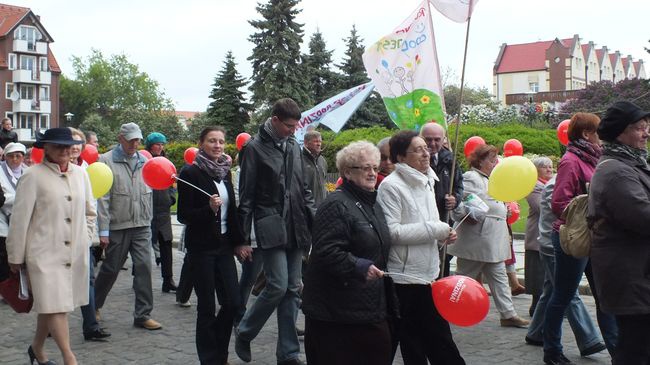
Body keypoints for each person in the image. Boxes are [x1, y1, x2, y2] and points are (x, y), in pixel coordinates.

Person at [235, 98, 314, 365]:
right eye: (289, 126)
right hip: (269, 225)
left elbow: (303, 189)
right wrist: (242, 239)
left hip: (296, 226)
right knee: (278, 286)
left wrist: (315, 221)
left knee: (293, 289)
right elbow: (245, 197)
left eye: (296, 126)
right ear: (275, 120)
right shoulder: (253, 148)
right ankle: (245, 332)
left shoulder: (293, 145)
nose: (294, 130)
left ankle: (288, 353)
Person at [6, 128, 95, 365]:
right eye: (57, 146)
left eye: (67, 146)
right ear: (45, 148)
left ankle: (37, 348)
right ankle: (70, 358)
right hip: (42, 253)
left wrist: (85, 237)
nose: (64, 151)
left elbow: (90, 211)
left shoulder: (80, 174)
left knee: (52, 305)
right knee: (56, 307)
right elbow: (19, 219)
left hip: (73, 253)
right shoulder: (33, 176)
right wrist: (15, 255)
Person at [377, 131, 465, 365]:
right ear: (400, 157)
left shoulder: (428, 180)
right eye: (418, 149)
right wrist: (436, 230)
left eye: (426, 147)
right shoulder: (391, 187)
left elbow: (429, 227)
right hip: (405, 278)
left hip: (429, 274)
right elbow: (392, 233)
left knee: (423, 341)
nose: (426, 152)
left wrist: (443, 237)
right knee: (427, 342)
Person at [303, 141, 392, 365]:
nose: (372, 173)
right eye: (365, 168)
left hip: (368, 305)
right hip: (336, 312)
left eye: (374, 167)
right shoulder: (336, 204)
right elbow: (326, 251)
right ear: (347, 172)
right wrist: (358, 266)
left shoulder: (372, 202)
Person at [543, 113, 618, 365]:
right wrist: (589, 213)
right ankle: (552, 351)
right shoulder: (571, 161)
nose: (602, 138)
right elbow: (559, 203)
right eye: (598, 132)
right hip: (573, 240)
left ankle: (618, 350)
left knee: (604, 296)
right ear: (586, 134)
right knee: (562, 295)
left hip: (594, 239)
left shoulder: (594, 159)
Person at [177, 126, 246, 365]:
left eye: (221, 142)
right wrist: (208, 209)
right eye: (212, 141)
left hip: (225, 246)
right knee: (206, 307)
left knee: (233, 302)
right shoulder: (190, 173)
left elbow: (233, 211)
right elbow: (183, 215)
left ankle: (220, 352)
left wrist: (240, 242)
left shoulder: (225, 172)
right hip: (202, 248)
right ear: (201, 143)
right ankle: (210, 359)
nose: (217, 146)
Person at [588, 101, 650, 364]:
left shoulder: (630, 164)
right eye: (639, 128)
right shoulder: (616, 172)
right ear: (619, 133)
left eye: (646, 127)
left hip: (637, 274)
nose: (646, 133)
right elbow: (644, 218)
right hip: (631, 277)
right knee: (635, 349)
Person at [448, 144, 530, 328]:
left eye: (495, 159)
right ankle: (449, 307)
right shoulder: (472, 177)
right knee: (464, 277)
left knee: (499, 276)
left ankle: (508, 314)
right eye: (492, 160)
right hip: (478, 237)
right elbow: (463, 202)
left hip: (491, 238)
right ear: (480, 161)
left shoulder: (490, 178)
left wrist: (503, 209)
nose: (496, 163)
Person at [525, 177, 606, 354]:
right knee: (568, 294)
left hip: (555, 242)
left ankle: (535, 332)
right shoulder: (556, 183)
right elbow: (560, 211)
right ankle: (589, 339)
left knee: (551, 290)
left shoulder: (563, 180)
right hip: (556, 244)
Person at [94, 122, 161, 330]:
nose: (135, 143)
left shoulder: (145, 161)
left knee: (143, 267)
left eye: (137, 139)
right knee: (111, 268)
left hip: (141, 224)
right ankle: (94, 305)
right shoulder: (105, 160)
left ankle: (143, 314)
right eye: (131, 139)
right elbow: (102, 198)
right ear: (120, 138)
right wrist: (103, 230)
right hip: (117, 225)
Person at [68, 127, 111, 342]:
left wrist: (90, 235)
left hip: (82, 237)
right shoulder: (53, 169)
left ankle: (91, 326)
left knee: (88, 280)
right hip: (58, 238)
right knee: (58, 281)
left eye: (79, 143)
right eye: (71, 142)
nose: (75, 147)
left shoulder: (87, 170)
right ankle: (49, 322)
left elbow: (93, 205)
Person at [420, 122, 463, 278]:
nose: (432, 144)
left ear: (444, 139)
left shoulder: (450, 160)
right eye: (428, 139)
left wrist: (455, 199)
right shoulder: (415, 161)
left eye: (437, 139)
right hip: (422, 222)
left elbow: (459, 186)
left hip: (444, 220)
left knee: (443, 263)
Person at [145, 132, 177, 293]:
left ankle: (168, 280)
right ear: (150, 145)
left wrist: (171, 199)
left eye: (162, 144)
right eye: (158, 144)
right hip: (148, 211)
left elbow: (172, 183)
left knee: (166, 245)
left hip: (163, 212)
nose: (160, 147)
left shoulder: (166, 163)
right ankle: (139, 277)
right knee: (142, 247)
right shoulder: (144, 161)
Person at [525, 157, 554, 316]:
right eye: (545, 167)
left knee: (547, 275)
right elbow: (542, 208)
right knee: (538, 276)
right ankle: (536, 308)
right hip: (536, 237)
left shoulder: (549, 185)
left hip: (547, 236)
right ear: (536, 170)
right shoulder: (534, 187)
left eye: (550, 166)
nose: (549, 169)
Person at [301, 130, 327, 207]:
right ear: (306, 143)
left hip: (323, 208)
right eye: (315, 141)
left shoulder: (322, 160)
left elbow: (324, 183)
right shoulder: (299, 160)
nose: (319, 144)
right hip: (306, 209)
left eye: (320, 141)